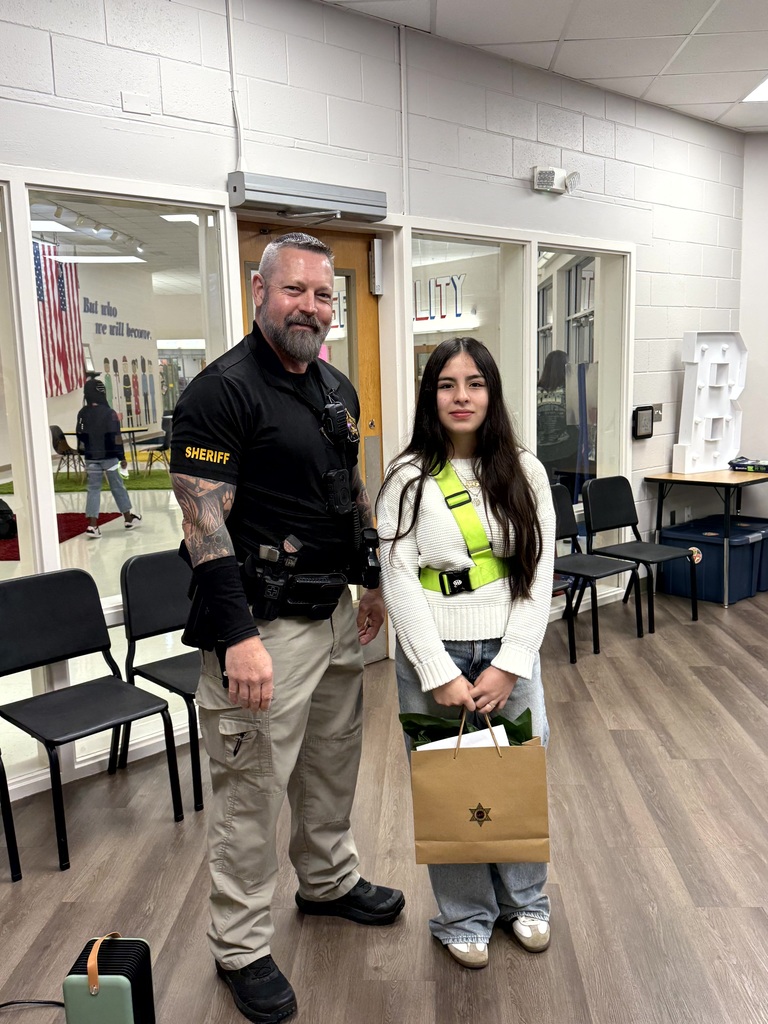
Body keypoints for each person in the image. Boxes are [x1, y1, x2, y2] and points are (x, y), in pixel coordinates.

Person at [169, 232, 404, 1024]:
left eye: (323, 293)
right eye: (295, 290)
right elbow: (203, 524)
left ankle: (329, 881)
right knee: (250, 792)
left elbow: (348, 487)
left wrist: (368, 577)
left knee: (332, 766)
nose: (310, 305)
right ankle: (239, 947)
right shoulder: (220, 393)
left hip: (333, 615)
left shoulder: (336, 387)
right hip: (261, 632)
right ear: (260, 294)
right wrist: (238, 638)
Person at [377, 336, 554, 971]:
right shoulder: (405, 477)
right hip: (436, 650)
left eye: (474, 383)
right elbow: (396, 578)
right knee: (450, 784)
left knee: (516, 780)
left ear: (491, 393)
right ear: (430, 394)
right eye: (447, 384)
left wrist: (512, 662)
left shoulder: (525, 471)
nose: (461, 396)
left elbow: (539, 570)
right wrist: (439, 672)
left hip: (510, 649)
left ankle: (526, 901)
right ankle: (464, 917)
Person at [75, 377, 142, 538]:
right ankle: (128, 518)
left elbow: (80, 433)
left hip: (91, 457)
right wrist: (122, 456)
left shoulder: (82, 413)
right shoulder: (109, 413)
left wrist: (87, 449)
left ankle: (92, 526)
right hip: (110, 457)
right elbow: (116, 437)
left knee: (93, 490)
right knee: (117, 486)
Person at [536, 349, 578, 482]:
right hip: (567, 449)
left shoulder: (534, 391)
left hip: (541, 448)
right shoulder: (570, 391)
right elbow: (577, 420)